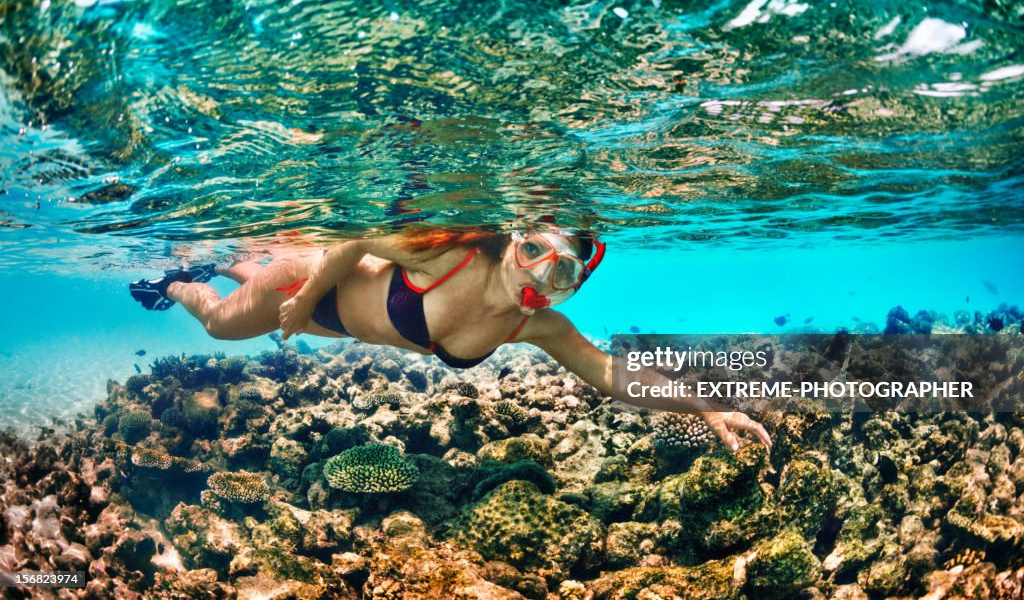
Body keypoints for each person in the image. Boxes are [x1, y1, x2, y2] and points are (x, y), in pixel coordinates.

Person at [130, 228, 771, 452]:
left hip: (332, 318)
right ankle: (179, 278)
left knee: (244, 279)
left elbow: (607, 373)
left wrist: (707, 406)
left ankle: (213, 264)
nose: (541, 270)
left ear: (573, 285)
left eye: (564, 270)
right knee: (220, 322)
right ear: (512, 242)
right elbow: (357, 240)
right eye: (531, 249)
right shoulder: (455, 257)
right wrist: (300, 298)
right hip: (314, 276)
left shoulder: (534, 324)